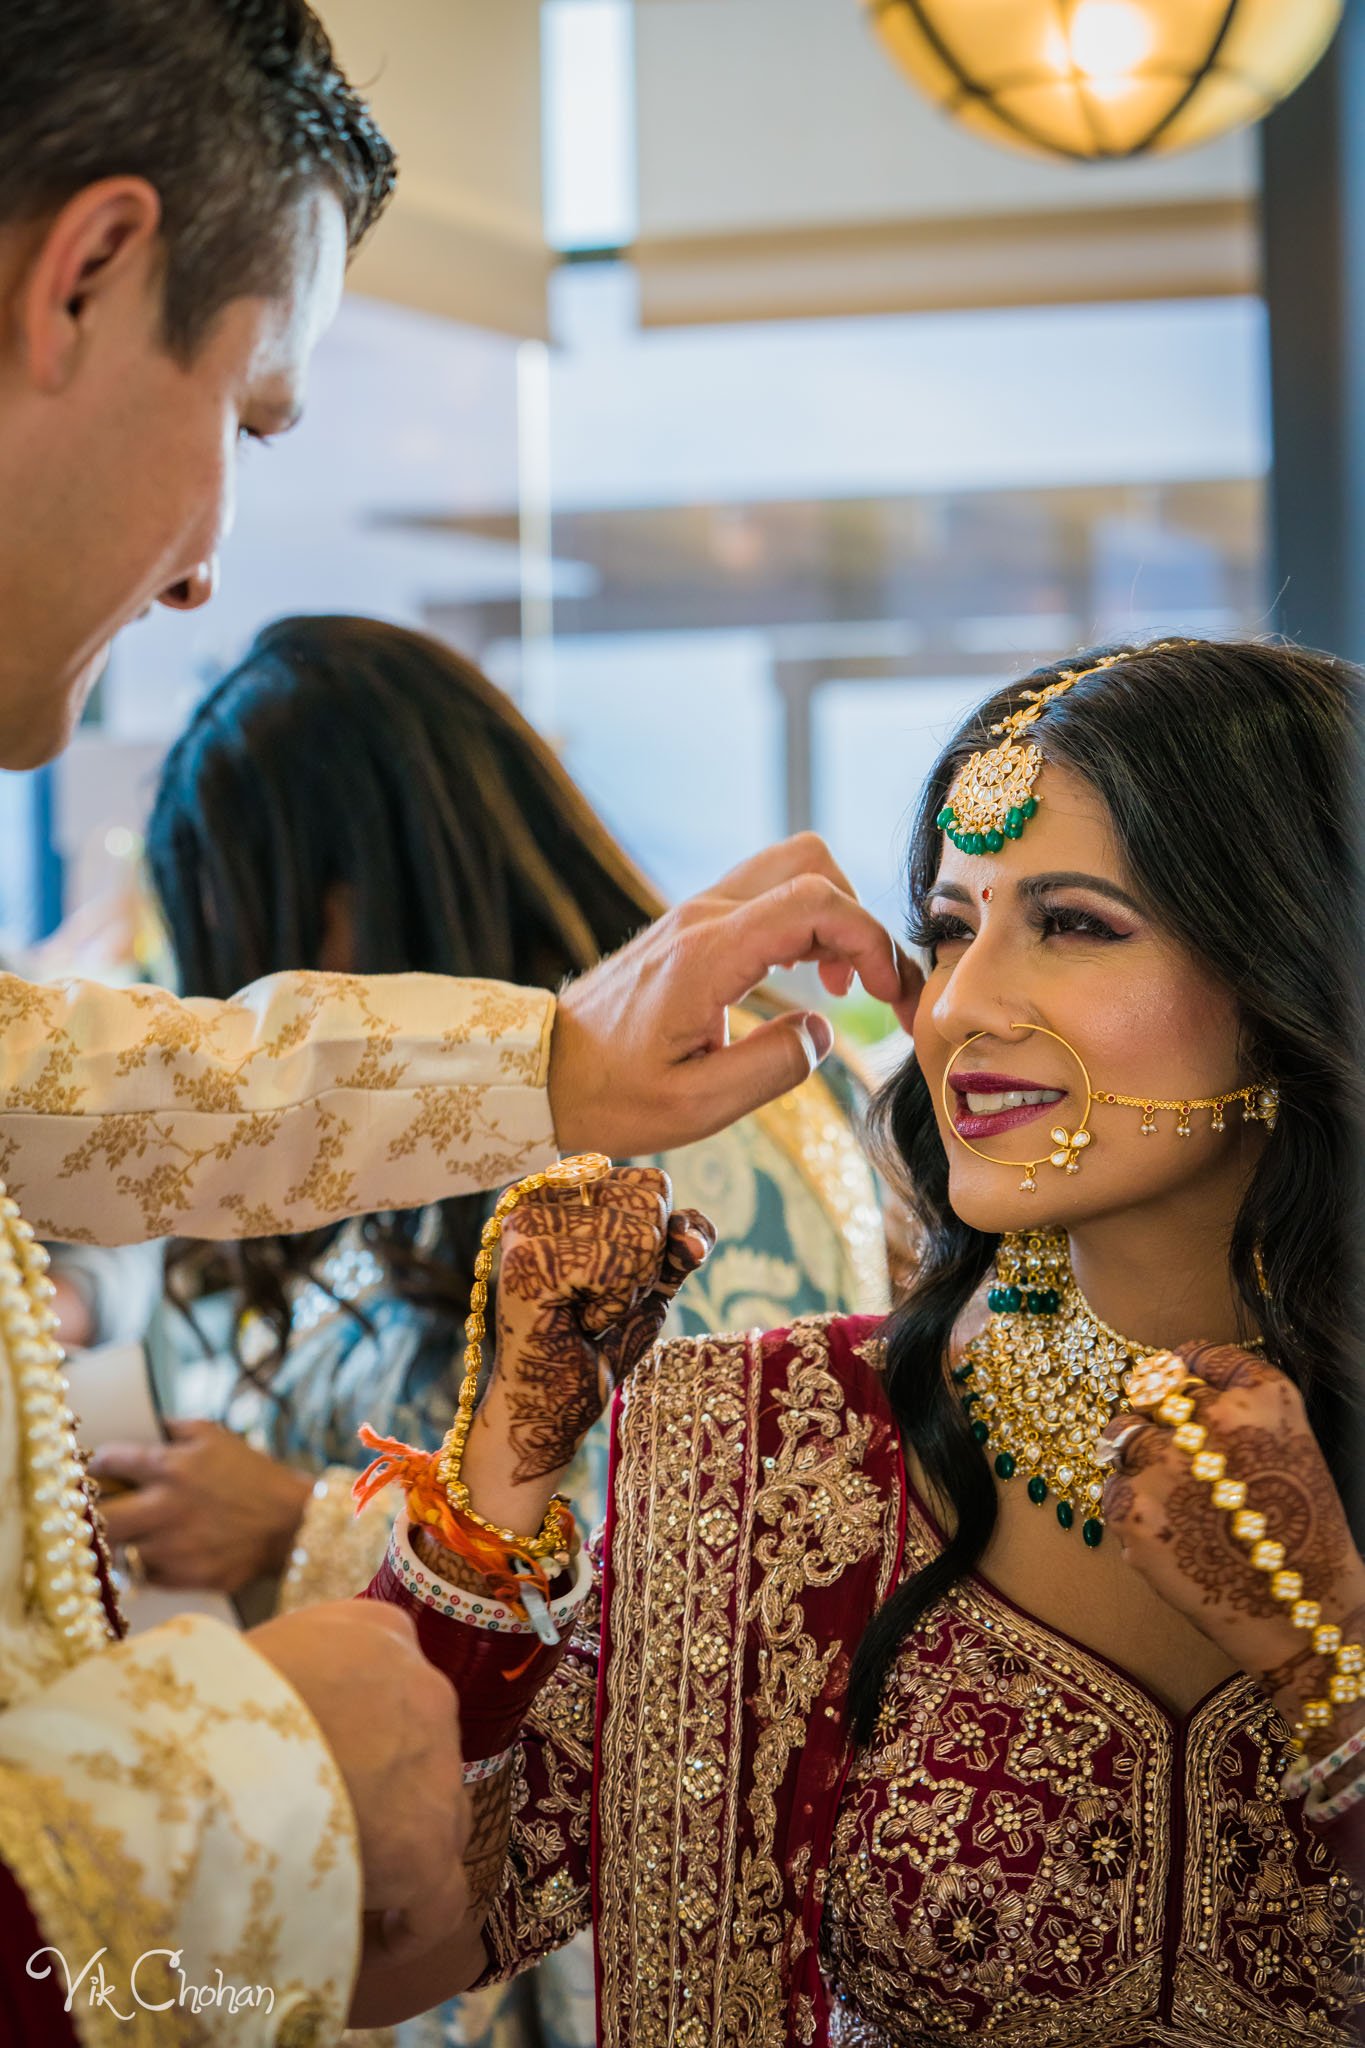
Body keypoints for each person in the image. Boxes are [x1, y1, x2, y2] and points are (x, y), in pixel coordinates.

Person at [0, 6, 917, 2040]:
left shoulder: (711, 1134)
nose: (204, 565)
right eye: (245, 415)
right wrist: (248, 1765)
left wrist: (559, 1066)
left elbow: (734, 1594)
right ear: (81, 277)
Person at [344, 638, 1364, 2045]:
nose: (950, 1007)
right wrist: (507, 1463)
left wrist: (1327, 1651)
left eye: (1069, 923)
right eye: (948, 928)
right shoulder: (790, 1440)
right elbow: (380, 1951)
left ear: (1296, 960)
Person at [100, 613, 888, 2047]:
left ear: (345, 902)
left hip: (599, 1939)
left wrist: (292, 1527)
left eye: (254, 939)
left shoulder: (692, 1137)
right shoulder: (462, 1133)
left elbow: (733, 1602)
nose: (245, 1002)